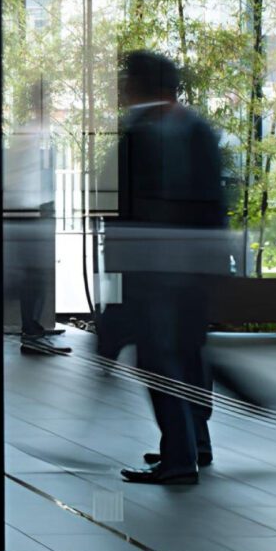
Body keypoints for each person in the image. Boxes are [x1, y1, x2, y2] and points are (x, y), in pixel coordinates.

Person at [103, 51, 228, 486]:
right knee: (189, 356)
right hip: (191, 269)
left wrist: (117, 275)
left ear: (140, 85)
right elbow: (214, 204)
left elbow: (123, 210)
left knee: (158, 359)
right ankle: (195, 443)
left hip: (153, 271)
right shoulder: (197, 128)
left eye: (126, 79)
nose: (121, 86)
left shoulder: (142, 132)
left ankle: (179, 459)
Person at [4, 81, 70, 356]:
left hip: (32, 211)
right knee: (33, 275)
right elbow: (17, 177)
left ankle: (32, 328)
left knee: (35, 275)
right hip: (26, 213)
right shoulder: (29, 133)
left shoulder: (36, 132)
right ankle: (29, 330)